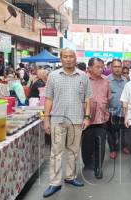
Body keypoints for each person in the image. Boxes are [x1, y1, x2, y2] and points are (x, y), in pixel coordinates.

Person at [43, 48, 92, 198]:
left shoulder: (83, 76)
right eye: (66, 56)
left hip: (76, 120)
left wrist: (87, 117)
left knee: (73, 151)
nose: (69, 59)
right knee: (56, 152)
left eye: (71, 56)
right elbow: (49, 99)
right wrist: (46, 119)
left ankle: (70, 177)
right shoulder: (53, 76)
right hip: (57, 120)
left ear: (75, 58)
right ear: (61, 59)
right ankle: (55, 182)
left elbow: (87, 99)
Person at [82, 57, 111, 179]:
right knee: (86, 145)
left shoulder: (106, 81)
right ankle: (88, 162)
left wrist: (105, 110)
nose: (101, 69)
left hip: (102, 118)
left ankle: (98, 167)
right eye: (97, 67)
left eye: (102, 67)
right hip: (87, 119)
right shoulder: (83, 80)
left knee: (100, 143)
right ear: (89, 68)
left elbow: (108, 98)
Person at [107, 59, 129, 159]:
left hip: (124, 111)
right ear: (111, 68)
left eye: (119, 67)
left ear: (122, 67)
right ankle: (112, 149)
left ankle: (124, 146)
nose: (117, 69)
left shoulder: (125, 80)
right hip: (111, 111)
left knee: (124, 131)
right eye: (115, 67)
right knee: (111, 131)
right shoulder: (106, 80)